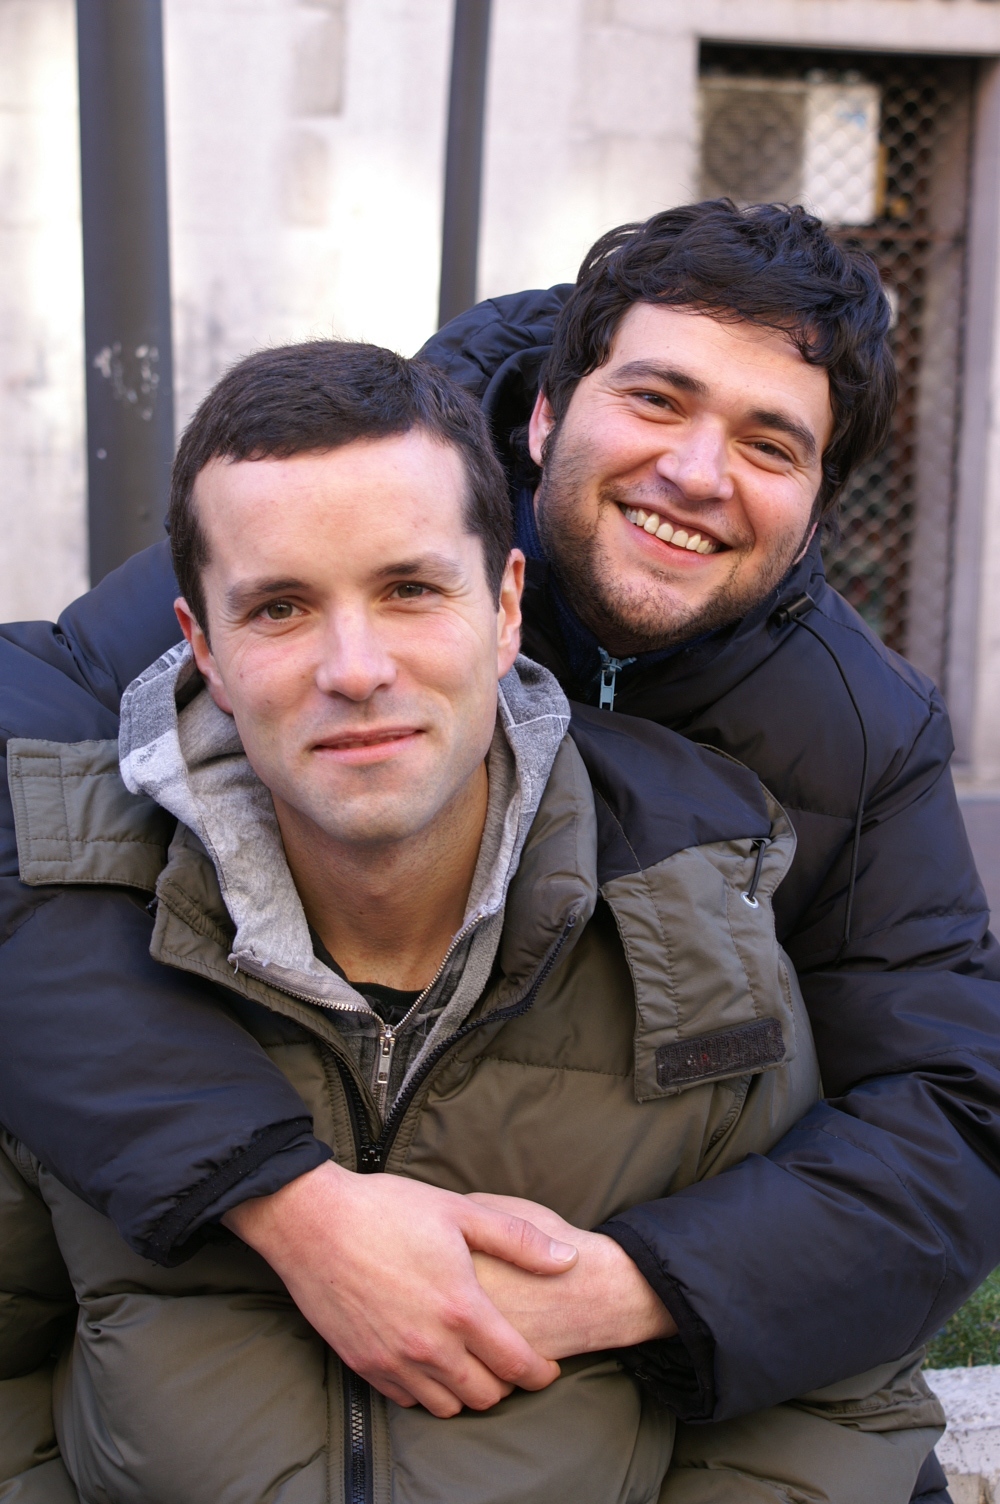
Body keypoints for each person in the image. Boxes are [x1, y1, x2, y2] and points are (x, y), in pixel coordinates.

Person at [2, 201, 997, 1500]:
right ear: (543, 416)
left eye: (770, 443)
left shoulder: (853, 731)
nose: (699, 471)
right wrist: (287, 1200)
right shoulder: (355, 503)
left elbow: (953, 1115)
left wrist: (630, 1288)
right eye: (658, 399)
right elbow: (26, 789)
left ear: (817, 506)